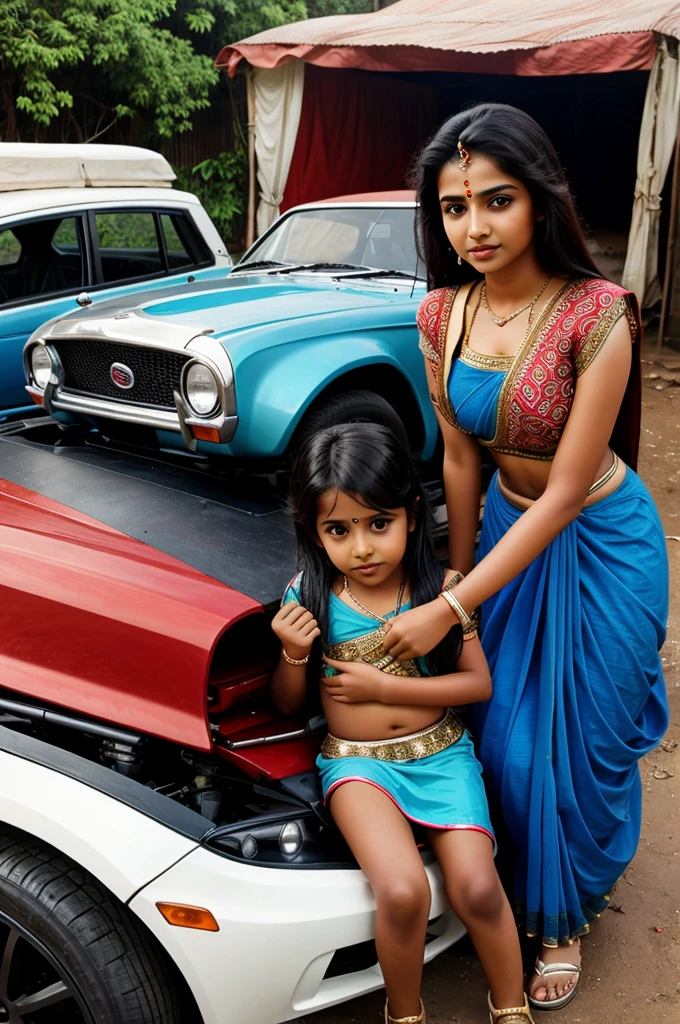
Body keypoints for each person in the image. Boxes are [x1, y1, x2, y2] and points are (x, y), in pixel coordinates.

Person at [378, 103, 669, 1012]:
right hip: (504, 535)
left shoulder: (597, 315)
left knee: (585, 738)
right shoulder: (440, 313)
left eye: (496, 201)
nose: (475, 227)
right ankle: (512, 882)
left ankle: (565, 914)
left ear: (540, 199)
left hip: (600, 541)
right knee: (504, 736)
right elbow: (460, 454)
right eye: (455, 209)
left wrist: (451, 609)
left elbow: (570, 488)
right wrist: (459, 572)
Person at [270, 422, 535, 1024]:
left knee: (477, 887)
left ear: (412, 516)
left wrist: (386, 684)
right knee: (401, 891)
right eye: (338, 530)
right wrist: (291, 653)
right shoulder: (309, 594)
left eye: (377, 523)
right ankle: (405, 1013)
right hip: (357, 767)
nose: (361, 548)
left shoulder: (441, 592)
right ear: (314, 531)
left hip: (441, 753)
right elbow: (288, 705)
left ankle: (511, 1006)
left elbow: (477, 685)